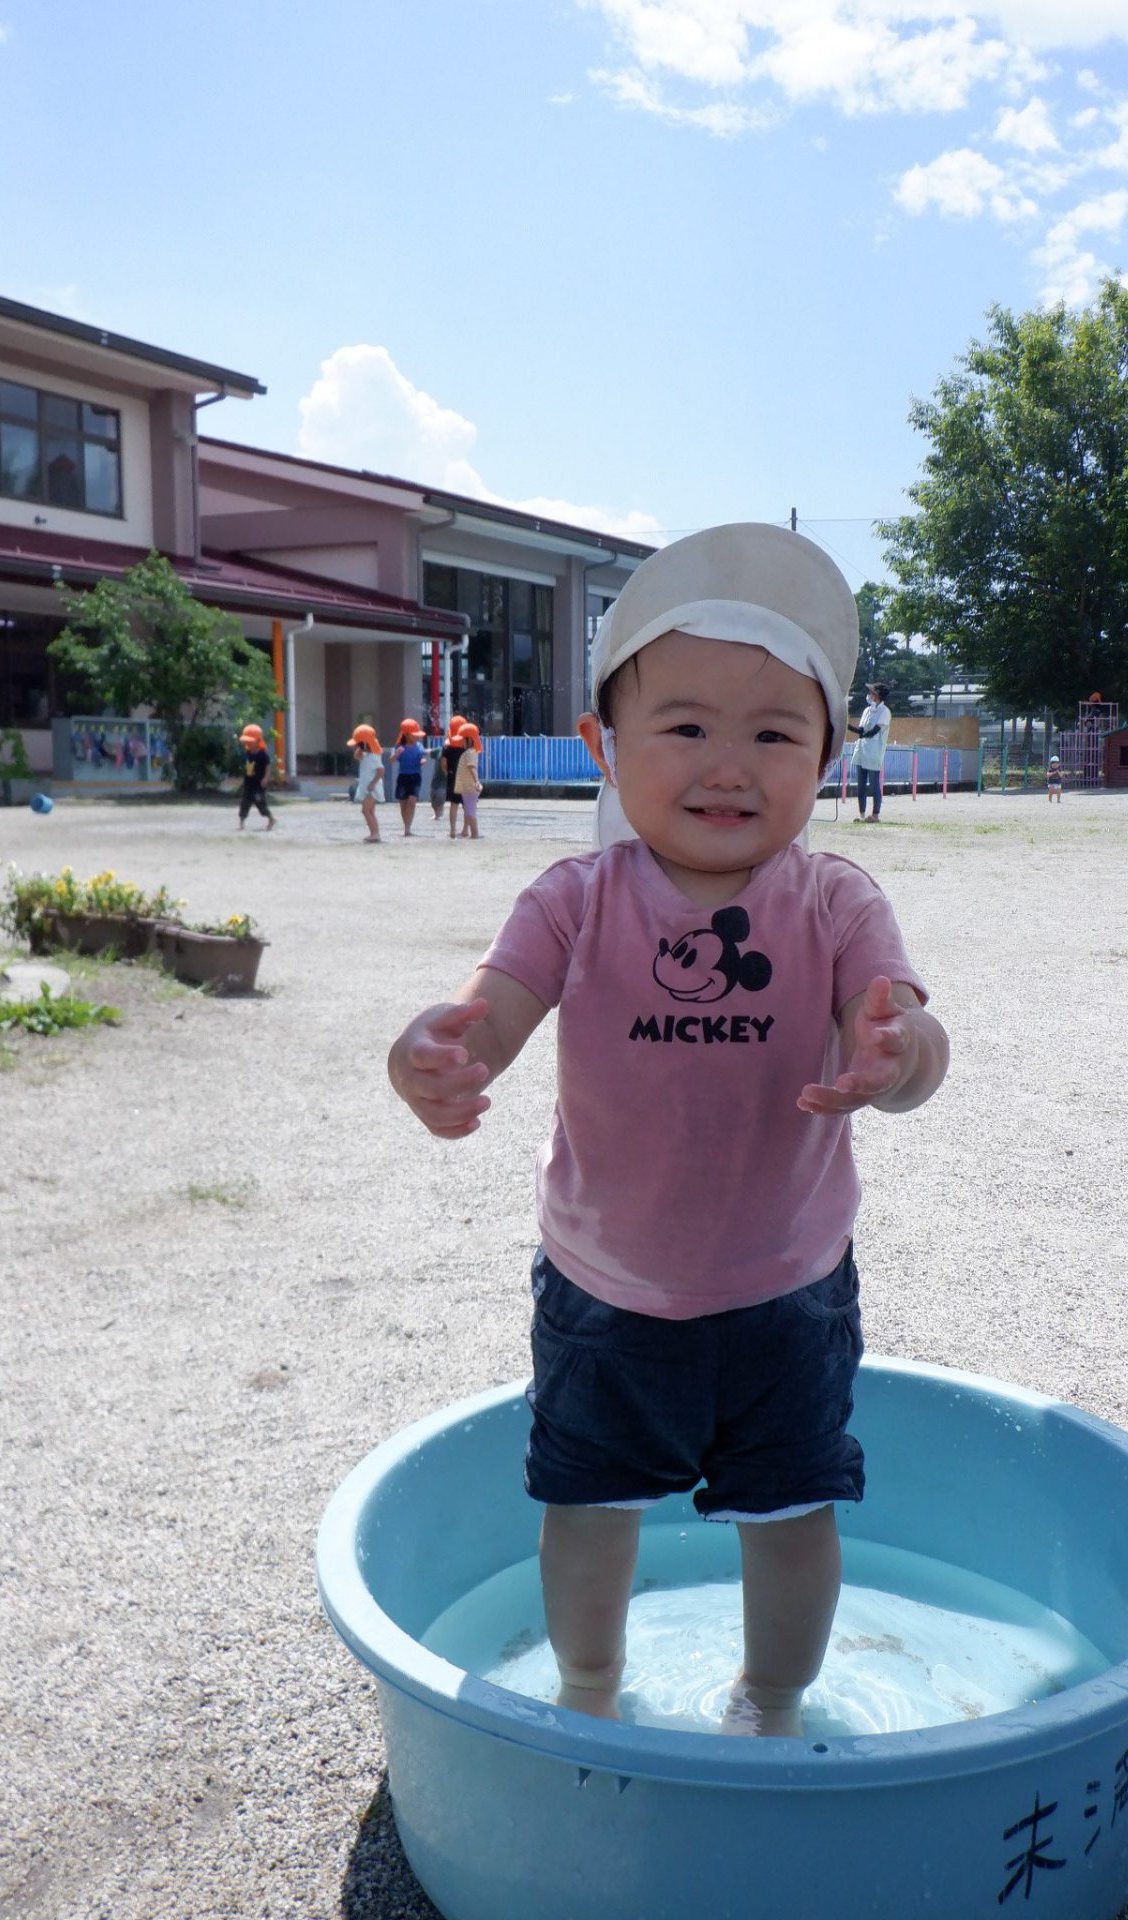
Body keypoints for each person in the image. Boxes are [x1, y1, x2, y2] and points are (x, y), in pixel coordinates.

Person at [387, 523, 950, 1738]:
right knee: (587, 1506)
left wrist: (899, 1055)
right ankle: (589, 1690)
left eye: (775, 735)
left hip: (788, 1291)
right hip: (606, 1290)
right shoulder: (574, 901)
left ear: (828, 755)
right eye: (686, 727)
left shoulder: (836, 900)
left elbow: (905, 1039)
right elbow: (487, 1017)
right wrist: (430, 1059)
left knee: (793, 1515)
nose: (729, 765)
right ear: (604, 744)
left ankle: (774, 1703)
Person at [847, 681, 891, 821]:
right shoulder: (867, 711)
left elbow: (874, 731)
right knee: (861, 784)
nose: (869, 694)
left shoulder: (885, 712)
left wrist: (862, 735)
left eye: (872, 692)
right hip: (862, 749)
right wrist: (846, 725)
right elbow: (861, 729)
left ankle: (875, 815)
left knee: (873, 784)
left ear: (877, 695)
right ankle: (861, 814)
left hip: (874, 752)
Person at [349, 724, 385, 842]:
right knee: (370, 811)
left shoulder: (374, 756)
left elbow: (381, 770)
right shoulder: (366, 755)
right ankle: (374, 833)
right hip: (366, 787)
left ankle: (375, 833)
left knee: (365, 810)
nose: (358, 746)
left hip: (371, 789)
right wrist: (361, 747)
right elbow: (356, 756)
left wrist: (373, 783)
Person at [391, 718, 427, 837]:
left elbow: (422, 756)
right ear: (406, 734)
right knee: (403, 804)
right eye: (414, 734)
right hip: (403, 777)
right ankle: (406, 826)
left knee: (411, 802)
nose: (416, 736)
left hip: (415, 777)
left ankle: (408, 828)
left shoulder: (419, 746)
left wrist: (422, 760)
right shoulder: (399, 746)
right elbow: (391, 760)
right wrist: (396, 754)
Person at [236, 724, 276, 831]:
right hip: (249, 783)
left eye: (250, 741)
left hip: (259, 784)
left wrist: (266, 778)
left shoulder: (263, 755)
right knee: (244, 803)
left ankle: (271, 819)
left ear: (258, 741)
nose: (248, 744)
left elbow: (268, 767)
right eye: (246, 742)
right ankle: (241, 823)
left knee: (260, 802)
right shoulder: (248, 753)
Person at [440, 715, 470, 840]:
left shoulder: (447, 747)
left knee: (454, 804)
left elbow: (443, 764)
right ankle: (465, 830)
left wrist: (447, 772)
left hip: (453, 777)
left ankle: (452, 830)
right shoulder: (467, 745)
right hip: (466, 777)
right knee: (467, 805)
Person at [454, 722, 483, 839]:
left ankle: (475, 834)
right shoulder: (469, 752)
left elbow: (472, 767)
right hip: (467, 788)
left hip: (470, 787)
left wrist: (476, 781)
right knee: (468, 811)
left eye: (463, 740)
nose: (461, 742)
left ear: (469, 740)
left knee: (470, 812)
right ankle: (468, 832)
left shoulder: (470, 753)